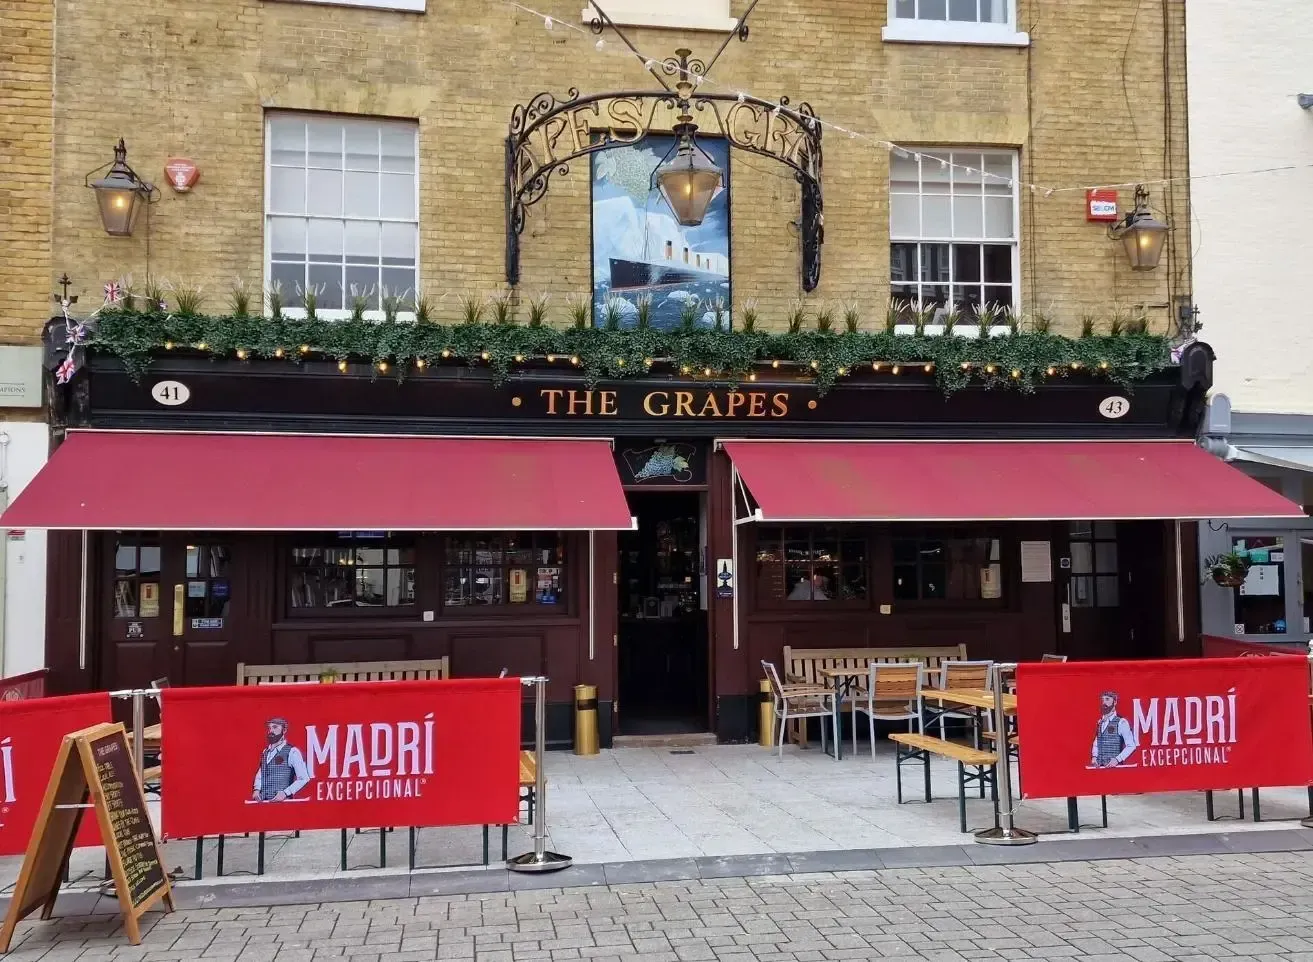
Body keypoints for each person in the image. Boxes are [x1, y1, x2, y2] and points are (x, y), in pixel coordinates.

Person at [252, 716, 310, 801]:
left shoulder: (292, 751)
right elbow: (261, 773)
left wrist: (286, 792)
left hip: (284, 805)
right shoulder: (265, 752)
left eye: (275, 727)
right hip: (265, 805)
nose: (271, 731)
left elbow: (304, 778)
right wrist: (256, 790)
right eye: (270, 728)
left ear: (284, 730)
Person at [1090, 691, 1137, 768]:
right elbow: (1096, 742)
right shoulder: (1100, 723)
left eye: (1107, 699)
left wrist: (1117, 759)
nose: (1104, 702)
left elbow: (1131, 745)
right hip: (1100, 769)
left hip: (1116, 770)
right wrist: (1094, 756)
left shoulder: (1121, 722)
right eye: (1103, 700)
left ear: (1115, 702)